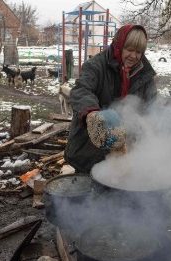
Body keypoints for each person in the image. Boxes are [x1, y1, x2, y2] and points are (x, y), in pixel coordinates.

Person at [64, 24, 157, 173]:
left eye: (139, 52)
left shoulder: (145, 73)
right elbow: (81, 90)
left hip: (127, 154)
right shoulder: (96, 65)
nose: (134, 56)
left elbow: (153, 106)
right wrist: (92, 113)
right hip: (89, 152)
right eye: (130, 49)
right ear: (119, 45)